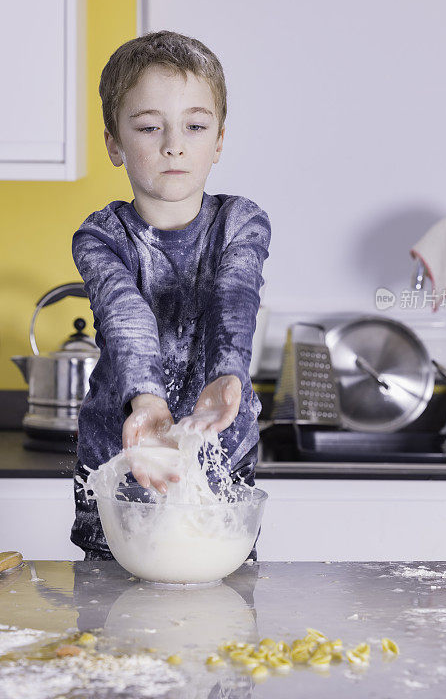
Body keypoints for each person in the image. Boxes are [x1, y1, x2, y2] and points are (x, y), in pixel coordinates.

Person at [71, 30, 271, 560]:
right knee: (115, 614)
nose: (173, 144)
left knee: (220, 609)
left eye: (195, 125)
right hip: (122, 456)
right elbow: (124, 313)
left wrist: (228, 372)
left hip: (222, 453)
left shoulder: (241, 223)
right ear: (114, 143)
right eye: (149, 126)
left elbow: (236, 294)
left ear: (220, 140)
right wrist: (149, 401)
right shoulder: (100, 237)